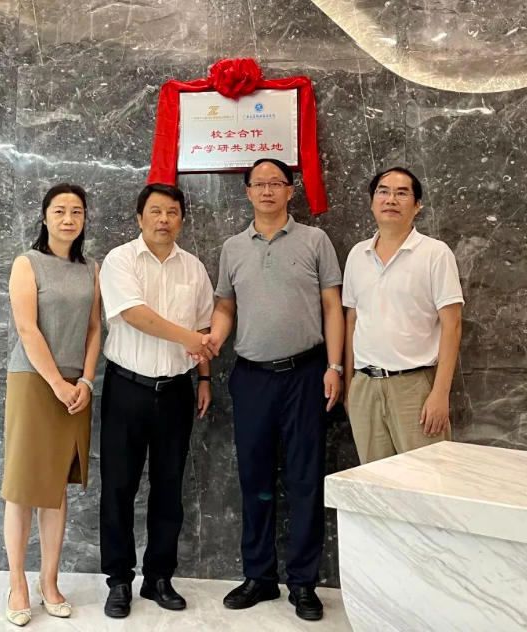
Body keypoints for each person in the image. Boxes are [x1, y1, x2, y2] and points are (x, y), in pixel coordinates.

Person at [202, 158, 344, 622]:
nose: (267, 190)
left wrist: (335, 366)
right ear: (247, 191)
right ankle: (259, 576)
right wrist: (214, 338)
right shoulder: (232, 247)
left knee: (305, 479)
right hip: (252, 378)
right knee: (255, 480)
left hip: (306, 374)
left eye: (276, 183)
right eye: (259, 183)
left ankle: (303, 583)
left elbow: (332, 305)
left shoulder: (315, 240)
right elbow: (226, 305)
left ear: (290, 190)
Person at [98, 183, 215, 619]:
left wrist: (205, 377)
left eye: (172, 212)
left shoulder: (194, 268)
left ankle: (159, 577)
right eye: (155, 211)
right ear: (139, 218)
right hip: (127, 388)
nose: (164, 219)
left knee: (169, 487)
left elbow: (204, 327)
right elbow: (134, 314)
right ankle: (119, 580)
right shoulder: (120, 260)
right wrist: (189, 339)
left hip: (176, 391)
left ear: (182, 219)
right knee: (119, 487)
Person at [1, 183, 102, 626]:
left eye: (76, 211)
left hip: (76, 388)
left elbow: (95, 329)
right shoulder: (27, 263)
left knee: (56, 487)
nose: (68, 219)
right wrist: (57, 383)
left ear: (84, 219)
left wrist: (85, 380)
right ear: (45, 217)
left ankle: (49, 581)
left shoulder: (90, 269)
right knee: (23, 486)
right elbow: (27, 329)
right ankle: (17, 584)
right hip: (33, 381)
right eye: (59, 210)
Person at [342, 167, 464, 464]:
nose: (391, 200)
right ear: (372, 201)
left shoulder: (435, 253)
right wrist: (350, 389)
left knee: (427, 480)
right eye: (383, 192)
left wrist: (440, 394)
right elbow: (352, 321)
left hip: (415, 387)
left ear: (417, 205)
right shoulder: (357, 254)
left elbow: (452, 325)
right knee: (374, 481)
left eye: (401, 193)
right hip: (365, 387)